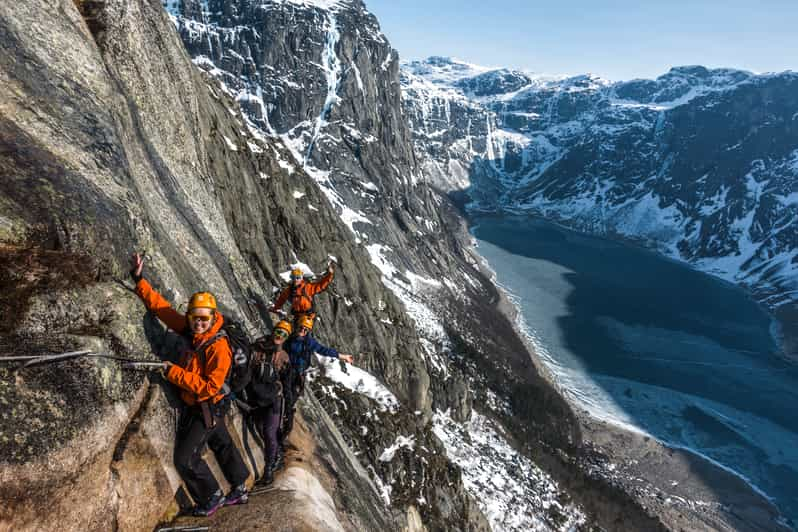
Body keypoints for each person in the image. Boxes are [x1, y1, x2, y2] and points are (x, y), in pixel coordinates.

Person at [130, 253, 249, 517]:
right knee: (222, 443)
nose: (198, 323)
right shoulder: (191, 329)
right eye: (195, 317)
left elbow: (209, 386)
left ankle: (212, 496)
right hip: (212, 405)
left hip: (208, 405)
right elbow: (161, 309)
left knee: (184, 460)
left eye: (204, 319)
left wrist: (173, 373)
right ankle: (240, 487)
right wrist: (139, 281)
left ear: (213, 317)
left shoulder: (217, 347)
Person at [281, 314, 354, 444]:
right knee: (285, 396)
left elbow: (323, 350)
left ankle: (284, 428)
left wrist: (342, 356)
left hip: (297, 375)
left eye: (306, 329)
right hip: (286, 371)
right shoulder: (290, 337)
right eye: (302, 328)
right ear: (298, 326)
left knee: (290, 400)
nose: (303, 331)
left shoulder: (309, 342)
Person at [242, 320, 292, 485]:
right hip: (257, 398)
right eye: (278, 332)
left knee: (270, 433)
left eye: (283, 334)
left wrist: (288, 411)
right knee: (263, 430)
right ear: (274, 331)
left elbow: (287, 385)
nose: (279, 336)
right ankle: (275, 453)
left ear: (286, 338)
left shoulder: (283, 358)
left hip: (273, 400)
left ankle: (269, 469)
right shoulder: (257, 348)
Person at [269, 262, 335, 326]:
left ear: (301, 278)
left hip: (307, 316)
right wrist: (275, 309)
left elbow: (321, 285)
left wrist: (330, 275)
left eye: (298, 278)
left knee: (302, 330)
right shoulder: (289, 290)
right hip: (296, 316)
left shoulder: (307, 287)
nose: (296, 280)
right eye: (294, 278)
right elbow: (281, 299)